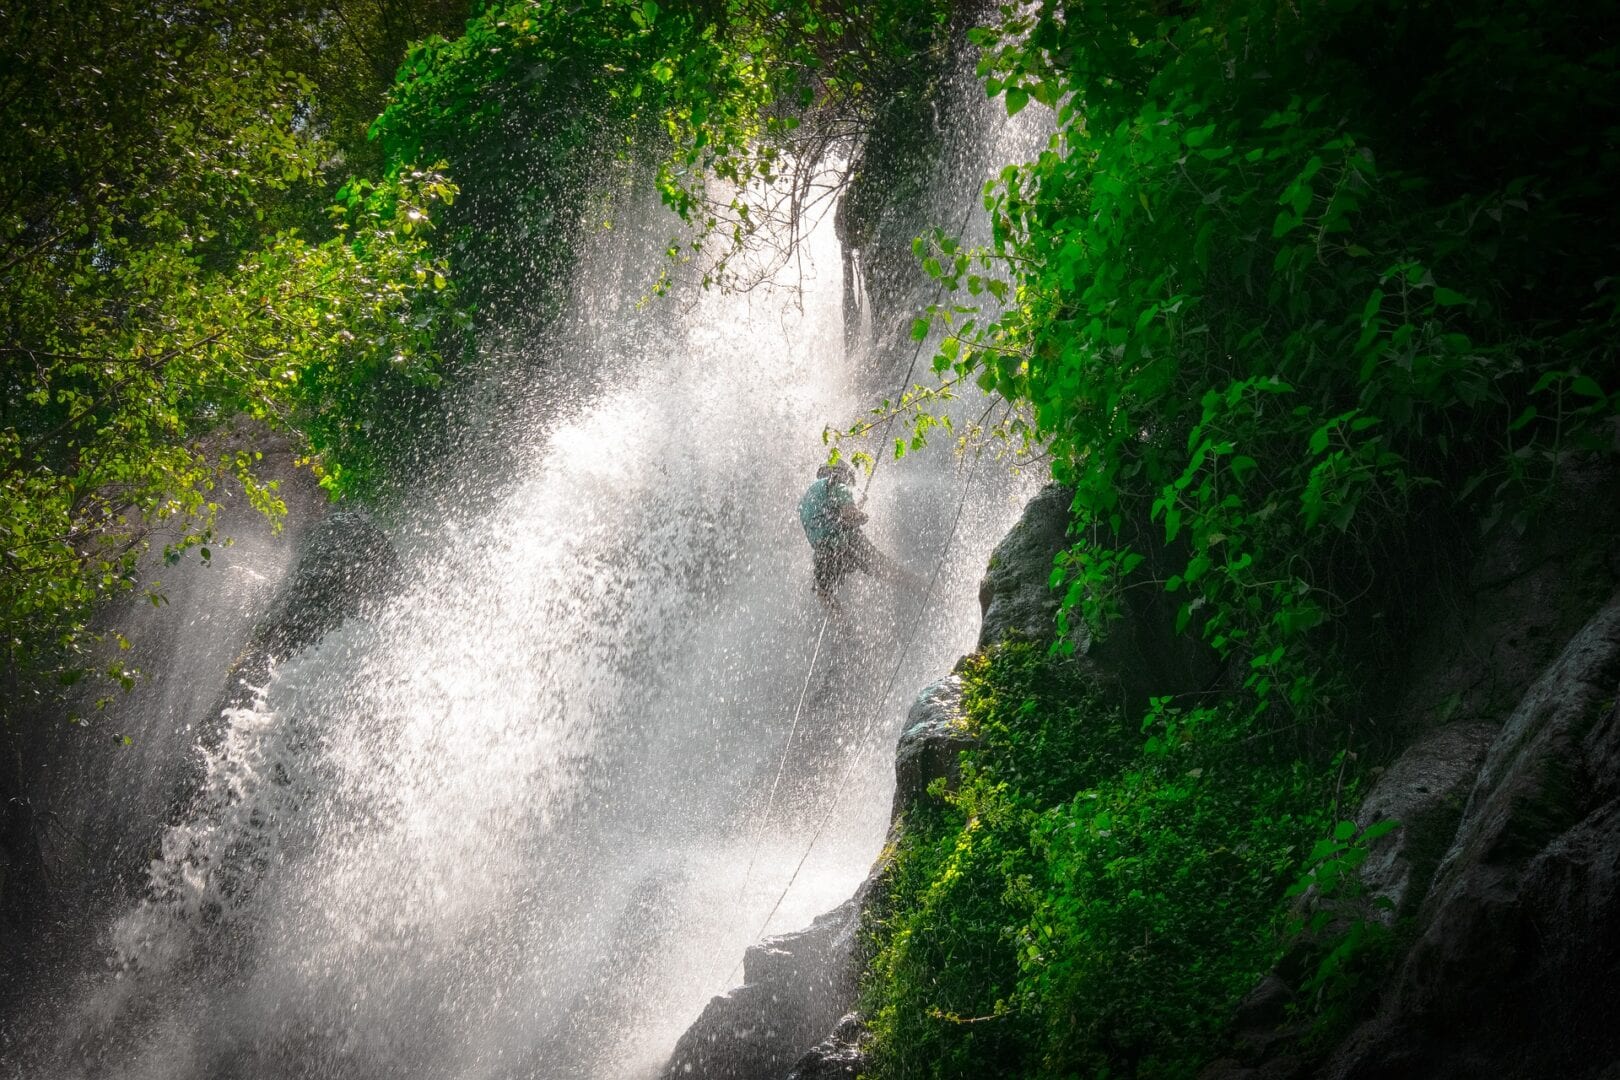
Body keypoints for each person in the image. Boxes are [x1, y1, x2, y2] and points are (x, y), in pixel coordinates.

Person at [798, 461, 911, 609]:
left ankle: (845, 629)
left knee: (825, 593)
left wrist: (854, 507)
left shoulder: (808, 498)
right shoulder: (838, 484)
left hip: (822, 552)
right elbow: (849, 515)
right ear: (843, 473)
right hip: (845, 541)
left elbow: (828, 518)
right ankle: (929, 589)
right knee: (882, 567)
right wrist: (861, 515)